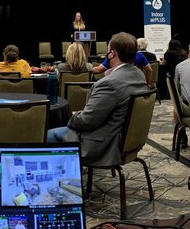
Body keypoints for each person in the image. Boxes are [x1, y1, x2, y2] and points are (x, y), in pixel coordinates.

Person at [45, 33, 150, 164]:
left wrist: (72, 116)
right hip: (127, 141)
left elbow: (86, 121)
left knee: (43, 136)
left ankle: (58, 180)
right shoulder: (139, 75)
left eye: (108, 51)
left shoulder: (109, 84)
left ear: (112, 54)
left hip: (101, 145)